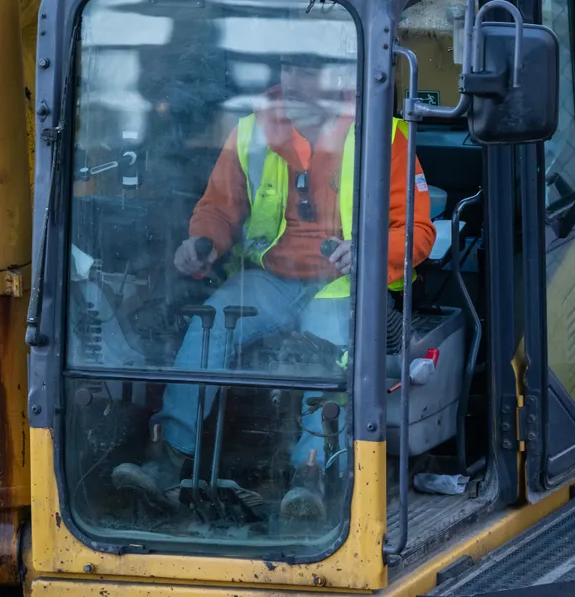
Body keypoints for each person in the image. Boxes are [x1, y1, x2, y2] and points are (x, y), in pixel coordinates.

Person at [112, 53, 436, 521]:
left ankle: (313, 476)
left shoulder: (385, 136)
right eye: (289, 68)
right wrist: (203, 243)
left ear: (339, 75)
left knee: (332, 350)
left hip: (340, 283)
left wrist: (367, 253)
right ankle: (168, 459)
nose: (295, 80)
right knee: (211, 328)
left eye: (308, 69)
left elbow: (416, 232)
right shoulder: (252, 130)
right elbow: (218, 209)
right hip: (267, 279)